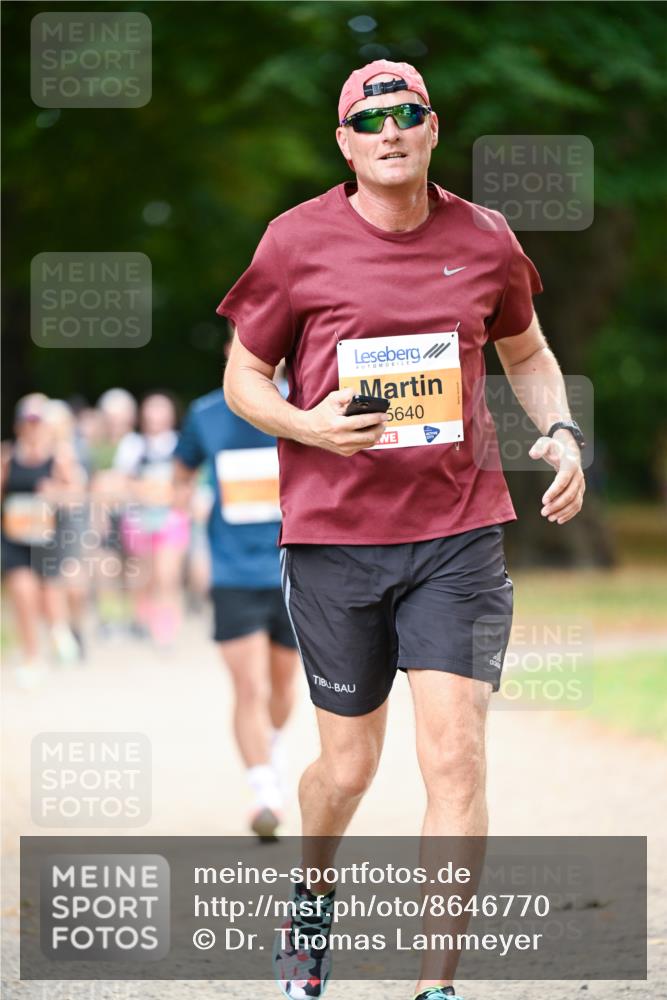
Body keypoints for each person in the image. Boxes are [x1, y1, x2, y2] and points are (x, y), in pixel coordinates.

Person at [220, 60, 586, 1000]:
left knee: (454, 754)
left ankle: (437, 986)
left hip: (457, 535)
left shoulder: (485, 238)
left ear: (431, 130)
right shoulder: (294, 242)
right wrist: (306, 426)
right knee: (347, 766)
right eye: (367, 118)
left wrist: (557, 429)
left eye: (406, 114)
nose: (389, 130)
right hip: (335, 540)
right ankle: (309, 894)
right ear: (344, 143)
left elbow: (529, 351)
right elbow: (243, 377)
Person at [172, 349, 299, 841]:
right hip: (232, 573)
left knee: (283, 688)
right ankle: (264, 791)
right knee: (249, 688)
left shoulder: (304, 408)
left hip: (294, 568)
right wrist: (190, 508)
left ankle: (273, 744)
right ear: (231, 350)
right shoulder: (206, 414)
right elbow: (181, 476)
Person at [1, 394, 83, 686]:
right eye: (28, 421)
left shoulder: (59, 457)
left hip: (48, 539)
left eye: (38, 422)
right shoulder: (8, 457)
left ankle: (58, 631)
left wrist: (55, 494)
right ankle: (32, 657)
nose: (33, 427)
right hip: (14, 538)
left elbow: (76, 498)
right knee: (23, 593)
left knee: (49, 596)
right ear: (19, 424)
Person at [114, 392, 190, 648]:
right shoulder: (132, 445)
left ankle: (166, 629)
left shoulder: (180, 444)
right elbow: (121, 480)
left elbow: (188, 481)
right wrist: (143, 489)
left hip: (170, 517)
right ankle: (141, 619)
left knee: (167, 575)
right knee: (143, 574)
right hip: (139, 518)